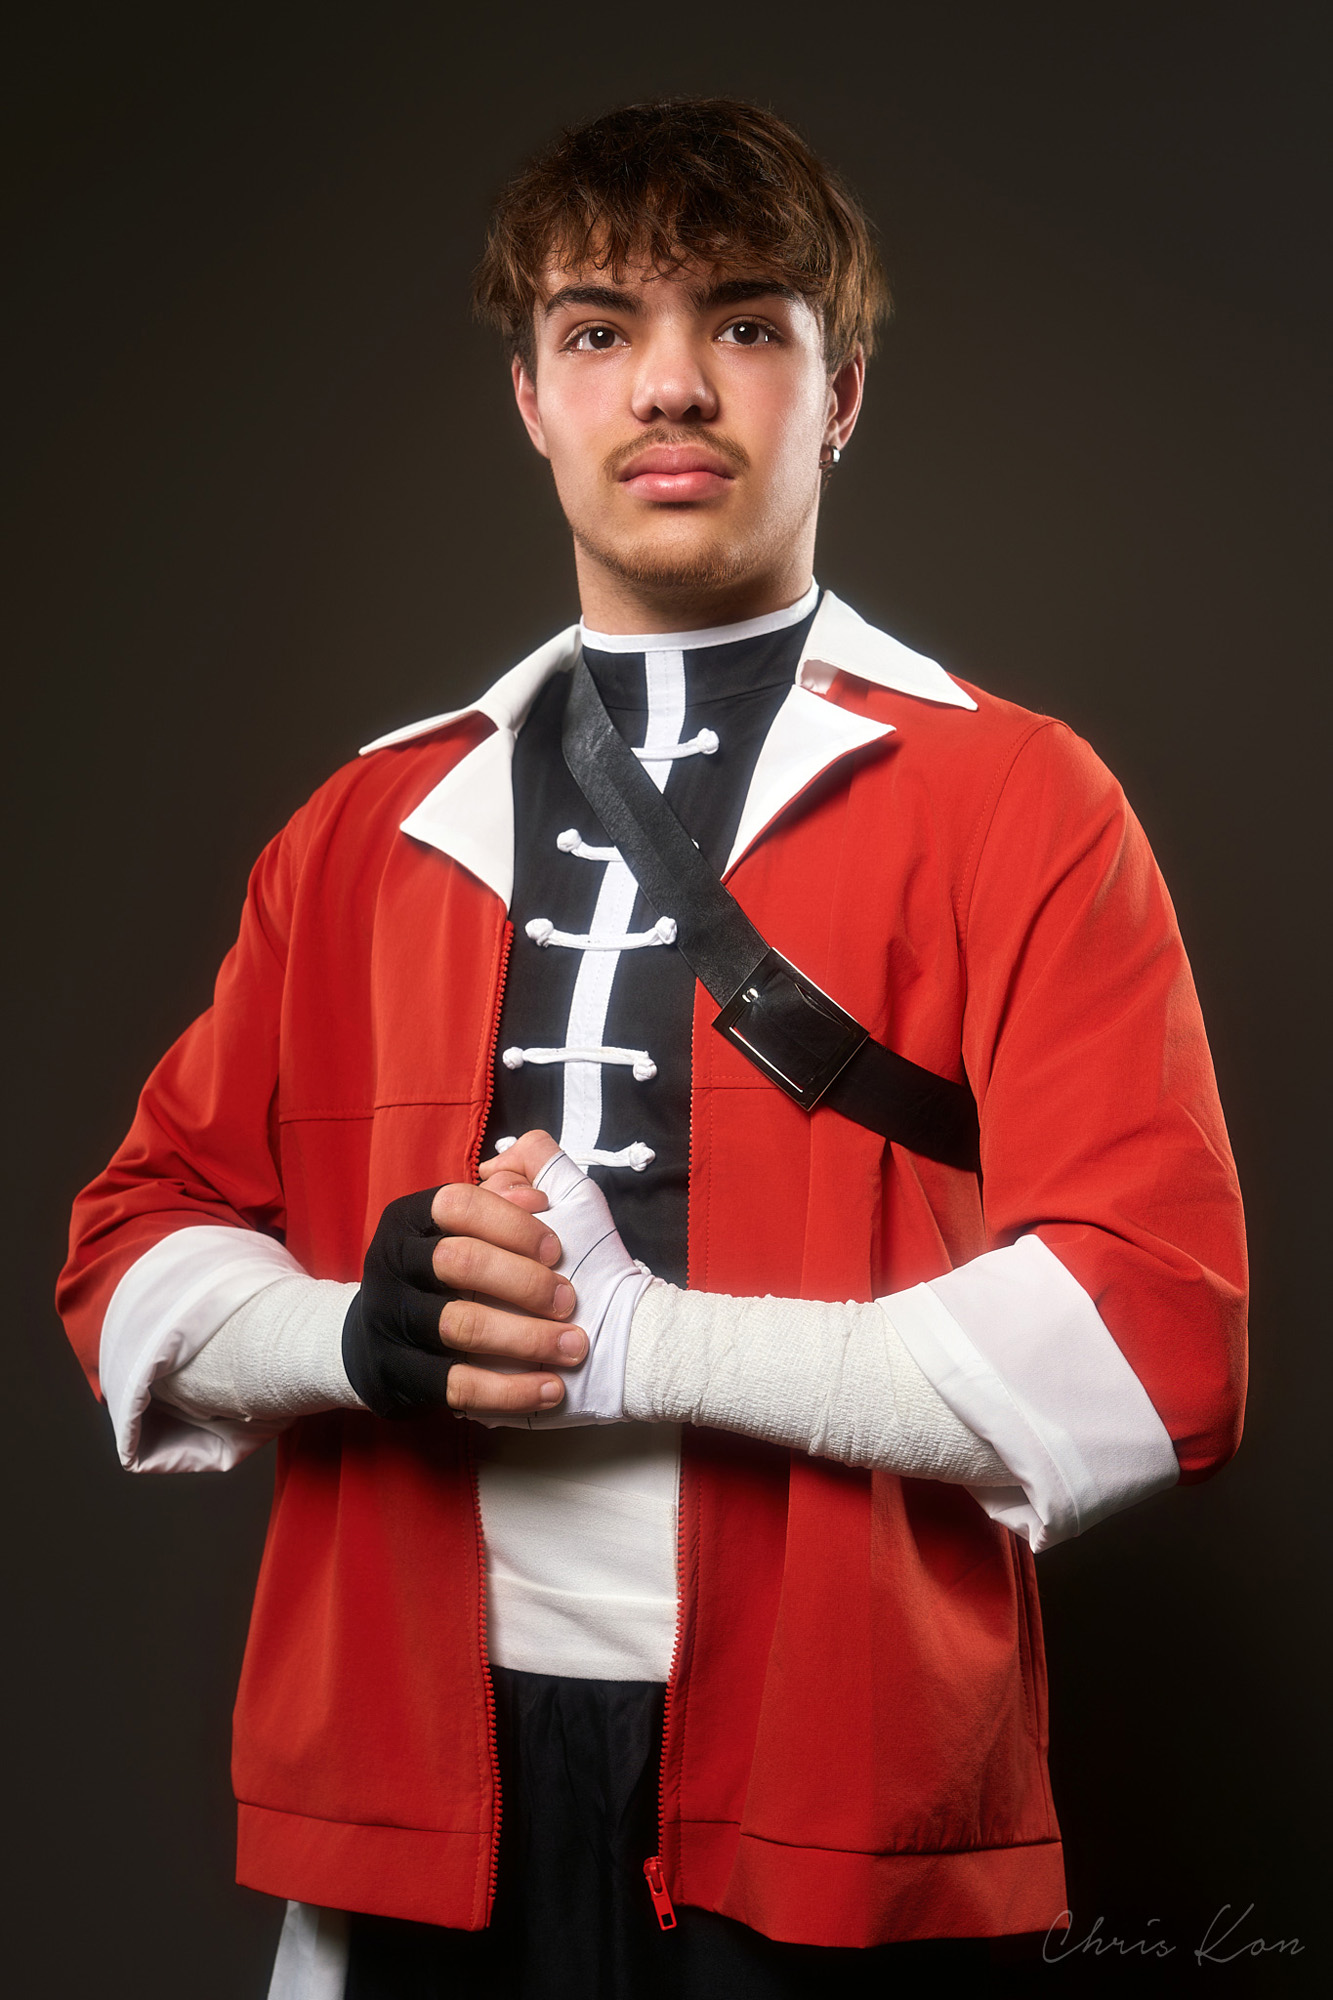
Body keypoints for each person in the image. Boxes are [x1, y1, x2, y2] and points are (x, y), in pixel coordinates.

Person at [57, 98, 1247, 1999]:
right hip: (408, 1775)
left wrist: (641, 1345)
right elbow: (127, 1258)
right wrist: (354, 1338)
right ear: (531, 399)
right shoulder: (355, 828)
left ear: (838, 393)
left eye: (745, 323)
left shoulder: (1024, 800)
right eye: (599, 328)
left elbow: (1151, 1347)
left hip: (837, 1766)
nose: (671, 384)